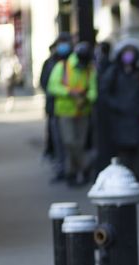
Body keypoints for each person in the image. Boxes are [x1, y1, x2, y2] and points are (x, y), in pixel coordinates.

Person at [47, 41, 97, 187]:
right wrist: (70, 92)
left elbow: (93, 91)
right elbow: (52, 86)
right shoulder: (63, 66)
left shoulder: (90, 69)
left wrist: (85, 97)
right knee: (69, 142)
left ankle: (73, 173)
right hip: (65, 112)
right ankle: (84, 166)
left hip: (82, 112)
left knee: (79, 144)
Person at [98, 39, 139, 176]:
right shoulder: (114, 72)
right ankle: (124, 177)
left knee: (137, 149)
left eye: (131, 52)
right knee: (123, 150)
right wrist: (117, 106)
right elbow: (104, 92)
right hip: (120, 118)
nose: (129, 55)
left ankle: (136, 177)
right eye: (126, 52)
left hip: (136, 117)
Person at [41, 34, 72, 182]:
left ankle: (72, 168)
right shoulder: (50, 63)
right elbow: (46, 84)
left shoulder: (73, 61)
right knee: (58, 140)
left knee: (71, 141)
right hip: (55, 108)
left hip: (74, 109)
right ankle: (62, 168)